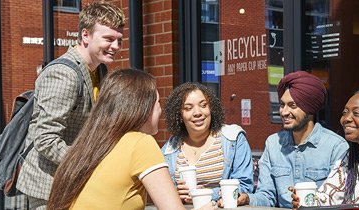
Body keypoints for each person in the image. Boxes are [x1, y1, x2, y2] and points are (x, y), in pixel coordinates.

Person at [46, 69, 216, 210]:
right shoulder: (140, 143)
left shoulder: (89, 143)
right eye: (158, 103)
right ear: (142, 108)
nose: (160, 111)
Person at [16, 2, 125, 208]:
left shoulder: (99, 70)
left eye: (119, 40)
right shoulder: (64, 74)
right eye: (109, 39)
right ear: (85, 35)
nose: (116, 47)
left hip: (73, 184)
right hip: (49, 188)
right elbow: (45, 139)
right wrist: (90, 164)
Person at [229, 71, 348, 208]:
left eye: (292, 105)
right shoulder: (273, 143)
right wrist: (247, 198)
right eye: (282, 105)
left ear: (310, 108)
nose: (284, 112)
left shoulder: (336, 146)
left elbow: (339, 202)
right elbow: (267, 196)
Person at [161, 82, 254, 203]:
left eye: (203, 105)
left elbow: (244, 187)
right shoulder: (169, 150)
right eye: (189, 108)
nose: (198, 112)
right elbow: (163, 193)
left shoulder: (233, 139)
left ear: (211, 108)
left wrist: (207, 194)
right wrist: (175, 194)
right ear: (179, 115)